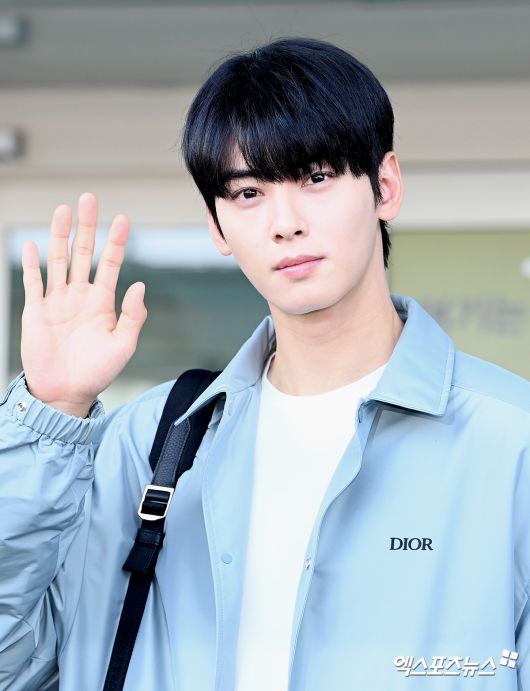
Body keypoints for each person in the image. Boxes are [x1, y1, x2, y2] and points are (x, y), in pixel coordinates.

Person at [0, 35, 529, 691]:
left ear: (385, 186)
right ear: (217, 226)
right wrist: (51, 412)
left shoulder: (510, 442)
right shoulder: (148, 445)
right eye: (248, 193)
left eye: (316, 178)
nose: (285, 222)